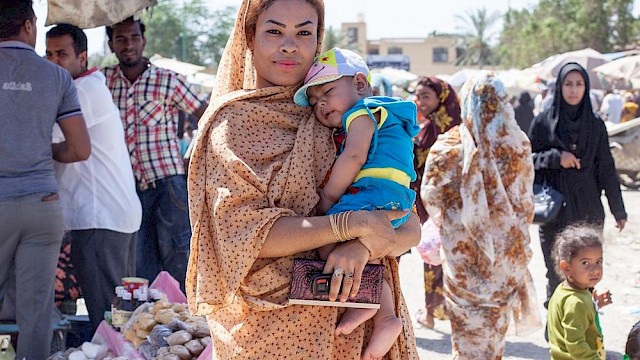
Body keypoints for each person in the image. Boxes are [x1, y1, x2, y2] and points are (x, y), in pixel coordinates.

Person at [186, 1, 420, 359]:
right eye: (274, 31)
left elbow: (408, 224)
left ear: (318, 39)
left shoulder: (342, 118)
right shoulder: (231, 123)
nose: (290, 46)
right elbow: (242, 234)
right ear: (250, 37)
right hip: (269, 334)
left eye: (304, 33)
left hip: (358, 334)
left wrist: (364, 246)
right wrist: (350, 225)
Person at [293, 47, 419, 358]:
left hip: (372, 193)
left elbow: (354, 156)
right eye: (314, 101)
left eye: (328, 91)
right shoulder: (392, 112)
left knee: (326, 239)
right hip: (396, 197)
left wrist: (329, 197)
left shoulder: (362, 113)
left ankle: (365, 302)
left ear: (360, 83)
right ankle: (387, 316)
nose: (321, 103)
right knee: (367, 252)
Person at [422, 73, 541, 358]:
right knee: (494, 337)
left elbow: (432, 196)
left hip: (463, 259)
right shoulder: (517, 146)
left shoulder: (448, 147)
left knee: (465, 335)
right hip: (504, 259)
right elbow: (525, 204)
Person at [0, 1, 90, 358]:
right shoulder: (56, 76)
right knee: (36, 313)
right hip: (43, 205)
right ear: (28, 25)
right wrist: (41, 150)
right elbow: (79, 148)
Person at [46, 24, 142, 332]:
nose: (53, 62)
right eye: (48, 54)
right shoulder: (88, 86)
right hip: (110, 216)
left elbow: (42, 141)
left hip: (100, 218)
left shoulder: (80, 91)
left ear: (83, 57)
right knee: (119, 315)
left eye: (62, 54)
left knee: (109, 318)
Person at [103, 17, 208, 290]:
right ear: (111, 44)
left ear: (143, 41)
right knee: (139, 265)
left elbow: (206, 115)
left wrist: (194, 153)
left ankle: (186, 325)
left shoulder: (167, 80)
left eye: (134, 38)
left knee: (179, 257)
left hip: (167, 185)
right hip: (125, 189)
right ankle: (148, 325)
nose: (128, 45)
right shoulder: (104, 83)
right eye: (121, 39)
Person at [528, 62, 627, 303]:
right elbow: (527, 161)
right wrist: (555, 157)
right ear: (559, 87)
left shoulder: (595, 126)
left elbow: (606, 169)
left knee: (586, 276)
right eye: (568, 84)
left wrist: (618, 209)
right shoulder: (543, 123)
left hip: (587, 210)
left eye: (579, 84)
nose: (573, 90)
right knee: (556, 273)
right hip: (554, 212)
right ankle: (556, 332)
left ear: (586, 88)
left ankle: (583, 331)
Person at [411, 76, 461, 329]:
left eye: (426, 97)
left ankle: (442, 312)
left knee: (444, 257)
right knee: (433, 254)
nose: (420, 102)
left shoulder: (451, 128)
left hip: (447, 203)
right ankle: (433, 311)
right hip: (427, 202)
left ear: (441, 98)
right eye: (418, 96)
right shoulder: (428, 125)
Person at [547, 224, 610, 359]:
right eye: (585, 263)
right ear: (566, 268)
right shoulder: (575, 302)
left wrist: (595, 304)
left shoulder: (563, 290)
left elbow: (578, 319)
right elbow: (575, 345)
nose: (595, 269)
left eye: (599, 261)